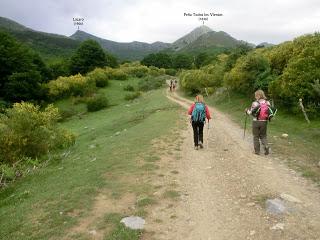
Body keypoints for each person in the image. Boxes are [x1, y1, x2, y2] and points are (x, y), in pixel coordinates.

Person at [245, 89, 270, 155]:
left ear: (258, 96)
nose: (255, 97)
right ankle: (266, 146)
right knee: (263, 136)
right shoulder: (267, 103)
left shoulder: (255, 103)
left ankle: (257, 151)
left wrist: (247, 111)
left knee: (256, 136)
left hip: (256, 122)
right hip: (264, 122)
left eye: (256, 95)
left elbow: (250, 112)